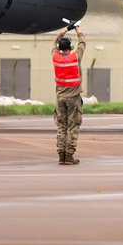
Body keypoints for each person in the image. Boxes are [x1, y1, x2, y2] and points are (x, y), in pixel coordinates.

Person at [51, 23, 86, 165]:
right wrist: (77, 29)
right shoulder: (75, 58)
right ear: (70, 48)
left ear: (59, 48)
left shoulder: (55, 57)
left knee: (61, 126)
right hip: (74, 98)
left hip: (60, 98)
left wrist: (66, 29)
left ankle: (61, 155)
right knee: (72, 126)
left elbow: (54, 41)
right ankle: (69, 155)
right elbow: (83, 42)